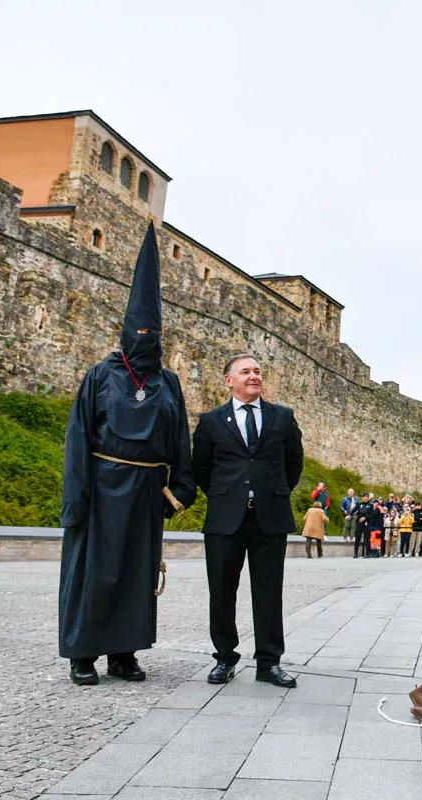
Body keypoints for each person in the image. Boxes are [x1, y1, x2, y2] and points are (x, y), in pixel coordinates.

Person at [59, 223, 196, 686]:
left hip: (143, 491)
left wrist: (176, 492)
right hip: (101, 487)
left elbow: (181, 441)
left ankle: (123, 652)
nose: (145, 338)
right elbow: (79, 436)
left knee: (137, 574)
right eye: (138, 331)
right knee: (93, 570)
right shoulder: (100, 376)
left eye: (151, 332)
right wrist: (76, 497)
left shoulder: (167, 382)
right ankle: (83, 653)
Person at [192, 353, 303, 688]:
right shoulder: (212, 421)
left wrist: (272, 491)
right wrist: (226, 494)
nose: (254, 376)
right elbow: (201, 467)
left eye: (257, 371)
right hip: (225, 519)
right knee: (222, 590)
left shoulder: (282, 417)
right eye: (245, 371)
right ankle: (224, 658)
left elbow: (293, 463)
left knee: (269, 591)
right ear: (229, 380)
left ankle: (269, 663)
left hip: (270, 517)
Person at [352, 492, 373, 558]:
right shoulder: (359, 504)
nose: (364, 498)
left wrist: (365, 518)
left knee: (367, 538)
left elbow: (372, 515)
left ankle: (367, 553)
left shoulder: (370, 505)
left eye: (365, 497)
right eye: (363, 497)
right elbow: (353, 510)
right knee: (357, 537)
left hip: (367, 522)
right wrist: (349, 515)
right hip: (359, 522)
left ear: (367, 498)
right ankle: (355, 553)